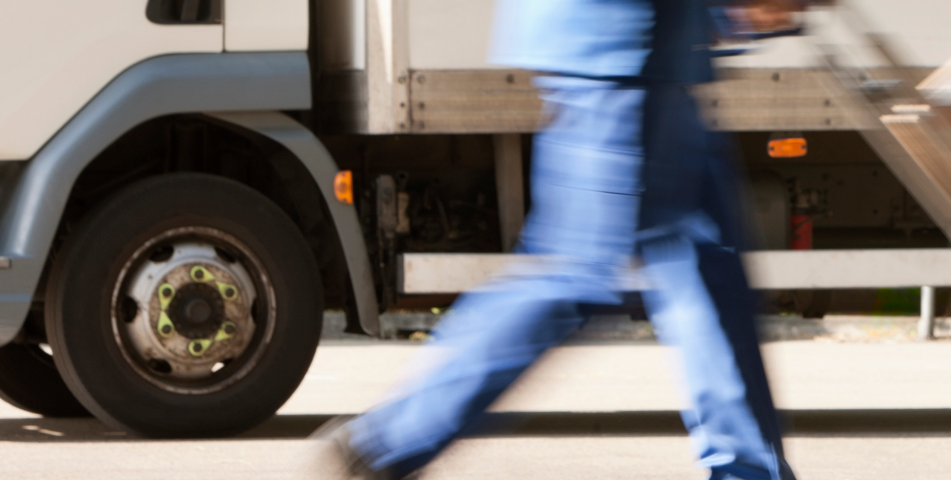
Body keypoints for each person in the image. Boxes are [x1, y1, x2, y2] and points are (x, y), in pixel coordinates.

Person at [313, 0, 805, 478]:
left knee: (706, 268)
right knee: (581, 272)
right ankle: (387, 442)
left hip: (639, 54)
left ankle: (750, 468)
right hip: (622, 50)